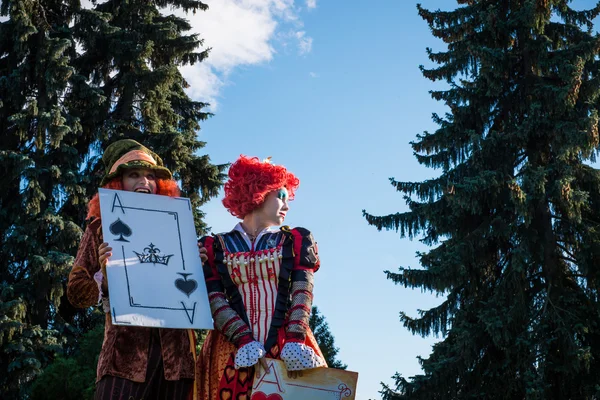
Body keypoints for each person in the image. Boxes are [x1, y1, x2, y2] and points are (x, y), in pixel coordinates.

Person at [67, 139, 196, 400]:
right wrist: (104, 280)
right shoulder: (99, 228)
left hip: (177, 361)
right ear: (118, 183)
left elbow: (191, 293)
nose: (144, 182)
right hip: (124, 359)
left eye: (150, 176)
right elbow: (76, 293)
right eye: (134, 175)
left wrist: (199, 265)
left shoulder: (176, 226)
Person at [197, 155, 327, 400]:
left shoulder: (295, 240)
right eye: (281, 196)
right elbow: (214, 297)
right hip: (231, 348)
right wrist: (242, 338)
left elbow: (302, 290)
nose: (287, 206)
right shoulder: (214, 246)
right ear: (258, 191)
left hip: (289, 345)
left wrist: (295, 337)